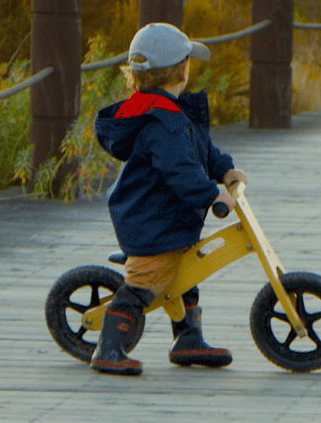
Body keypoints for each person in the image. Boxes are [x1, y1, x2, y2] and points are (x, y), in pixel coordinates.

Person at [91, 22, 246, 375]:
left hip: (168, 218)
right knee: (145, 285)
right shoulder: (161, 122)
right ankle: (109, 348)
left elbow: (203, 150)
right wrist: (211, 195)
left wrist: (225, 170)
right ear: (182, 70)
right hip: (152, 223)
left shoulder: (173, 113)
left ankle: (188, 339)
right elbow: (181, 171)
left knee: (187, 274)